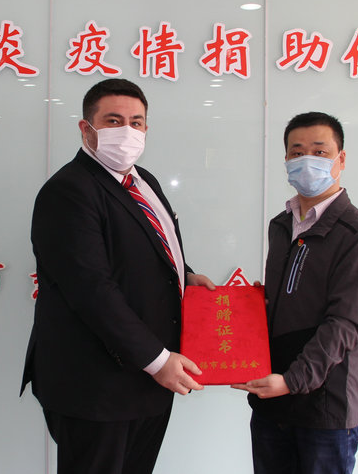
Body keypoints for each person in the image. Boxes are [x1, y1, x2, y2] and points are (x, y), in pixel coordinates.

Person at [20, 78, 215, 474]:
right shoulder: (69, 191)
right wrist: (158, 361)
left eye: (136, 122)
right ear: (86, 128)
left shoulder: (144, 181)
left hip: (146, 381)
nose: (127, 131)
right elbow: (90, 289)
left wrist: (186, 275)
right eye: (113, 120)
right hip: (97, 384)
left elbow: (147, 248)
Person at [232, 112, 358, 474]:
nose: (306, 161)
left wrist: (292, 381)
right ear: (285, 160)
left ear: (340, 160)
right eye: (297, 153)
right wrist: (251, 305)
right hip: (272, 400)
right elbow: (289, 298)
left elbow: (344, 324)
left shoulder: (357, 235)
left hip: (324, 408)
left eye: (319, 152)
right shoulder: (281, 225)